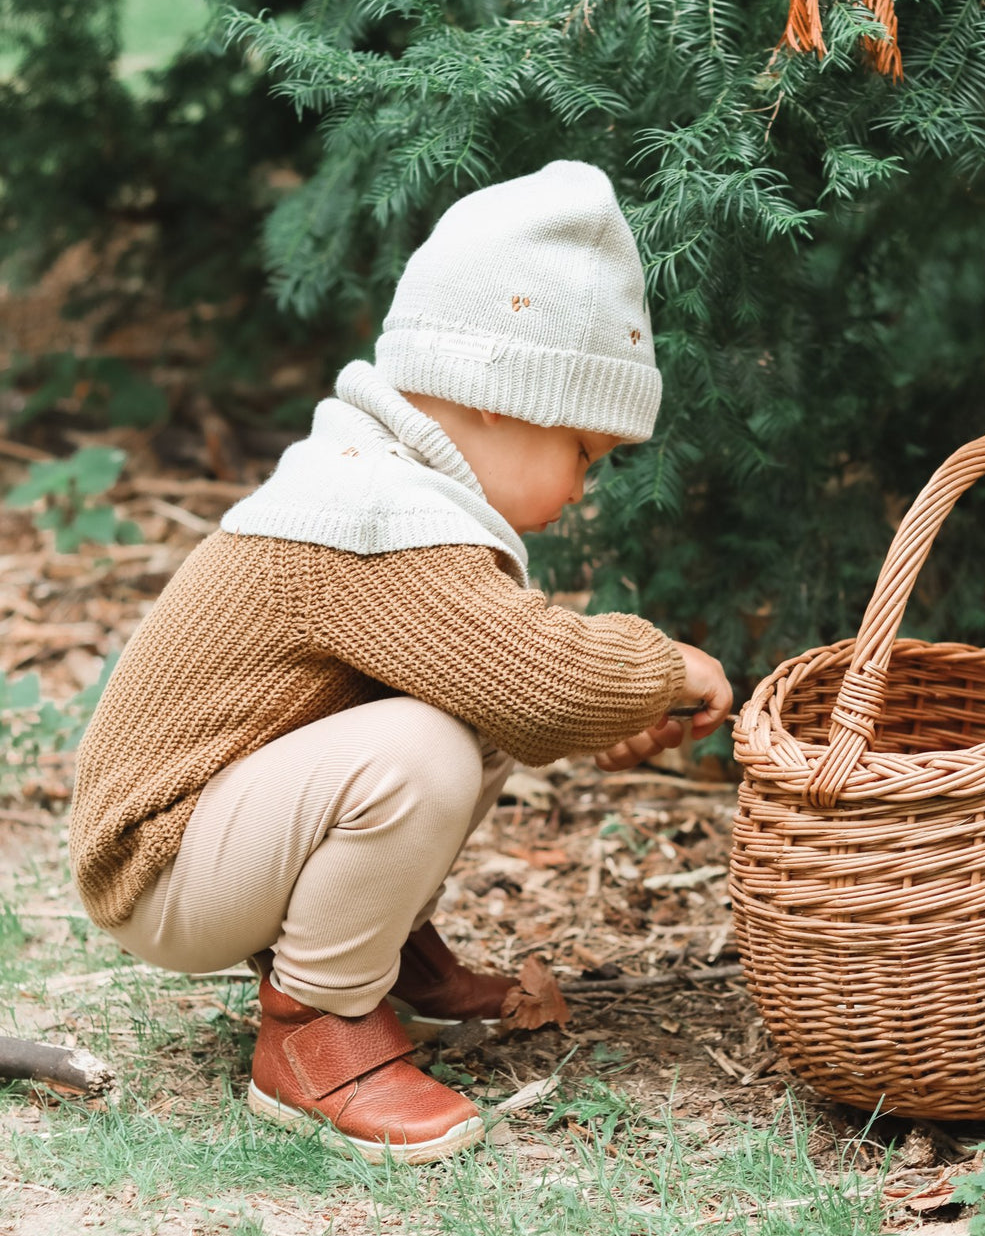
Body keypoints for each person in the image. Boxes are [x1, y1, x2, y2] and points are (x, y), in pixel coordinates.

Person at [69, 160, 732, 1163]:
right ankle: (314, 1028)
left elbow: (511, 680)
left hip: (210, 833)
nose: (587, 489)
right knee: (425, 743)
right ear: (504, 397)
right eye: (584, 453)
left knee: (466, 701)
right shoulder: (373, 514)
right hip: (157, 862)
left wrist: (597, 707)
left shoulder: (396, 494)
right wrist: (656, 667)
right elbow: (540, 684)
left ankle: (368, 960)